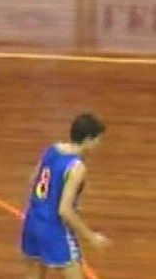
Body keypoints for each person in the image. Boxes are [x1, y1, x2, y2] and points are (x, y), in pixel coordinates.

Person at [20, 113, 109, 279]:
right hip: (53, 228)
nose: (99, 143)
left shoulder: (52, 149)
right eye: (98, 139)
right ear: (88, 139)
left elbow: (33, 180)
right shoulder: (77, 167)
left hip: (32, 220)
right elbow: (64, 210)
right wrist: (91, 237)